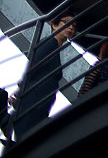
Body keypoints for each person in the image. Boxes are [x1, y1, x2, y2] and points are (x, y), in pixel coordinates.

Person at [13, 10, 77, 138]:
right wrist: (20, 91)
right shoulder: (49, 44)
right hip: (34, 102)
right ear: (54, 25)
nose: (71, 27)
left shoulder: (54, 47)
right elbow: (32, 67)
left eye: (74, 26)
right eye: (66, 22)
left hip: (39, 104)